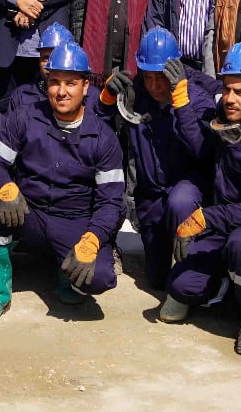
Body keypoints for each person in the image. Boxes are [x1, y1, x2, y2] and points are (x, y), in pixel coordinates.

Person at [0, 41, 125, 327]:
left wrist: (92, 240)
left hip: (73, 220)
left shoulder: (103, 137)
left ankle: (63, 270)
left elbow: (112, 202)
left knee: (100, 278)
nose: (61, 91)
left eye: (70, 83)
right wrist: (6, 187)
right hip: (28, 213)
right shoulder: (25, 117)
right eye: (55, 82)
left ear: (85, 86)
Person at [162, 41, 241, 358]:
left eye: (240, 92)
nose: (230, 98)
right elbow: (206, 90)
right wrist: (181, 77)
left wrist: (204, 218)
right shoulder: (228, 119)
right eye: (227, 89)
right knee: (180, 286)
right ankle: (233, 287)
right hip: (223, 231)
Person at [98, 27, 215, 290]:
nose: (154, 86)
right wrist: (105, 101)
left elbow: (201, 151)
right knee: (157, 279)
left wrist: (181, 104)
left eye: (160, 77)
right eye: (148, 77)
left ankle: (193, 275)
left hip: (187, 196)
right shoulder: (136, 95)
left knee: (181, 202)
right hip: (151, 200)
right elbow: (98, 136)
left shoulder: (196, 97)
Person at [0, 22, 74, 115]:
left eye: (57, 56)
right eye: (46, 58)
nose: (51, 64)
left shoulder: (86, 96)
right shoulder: (22, 96)